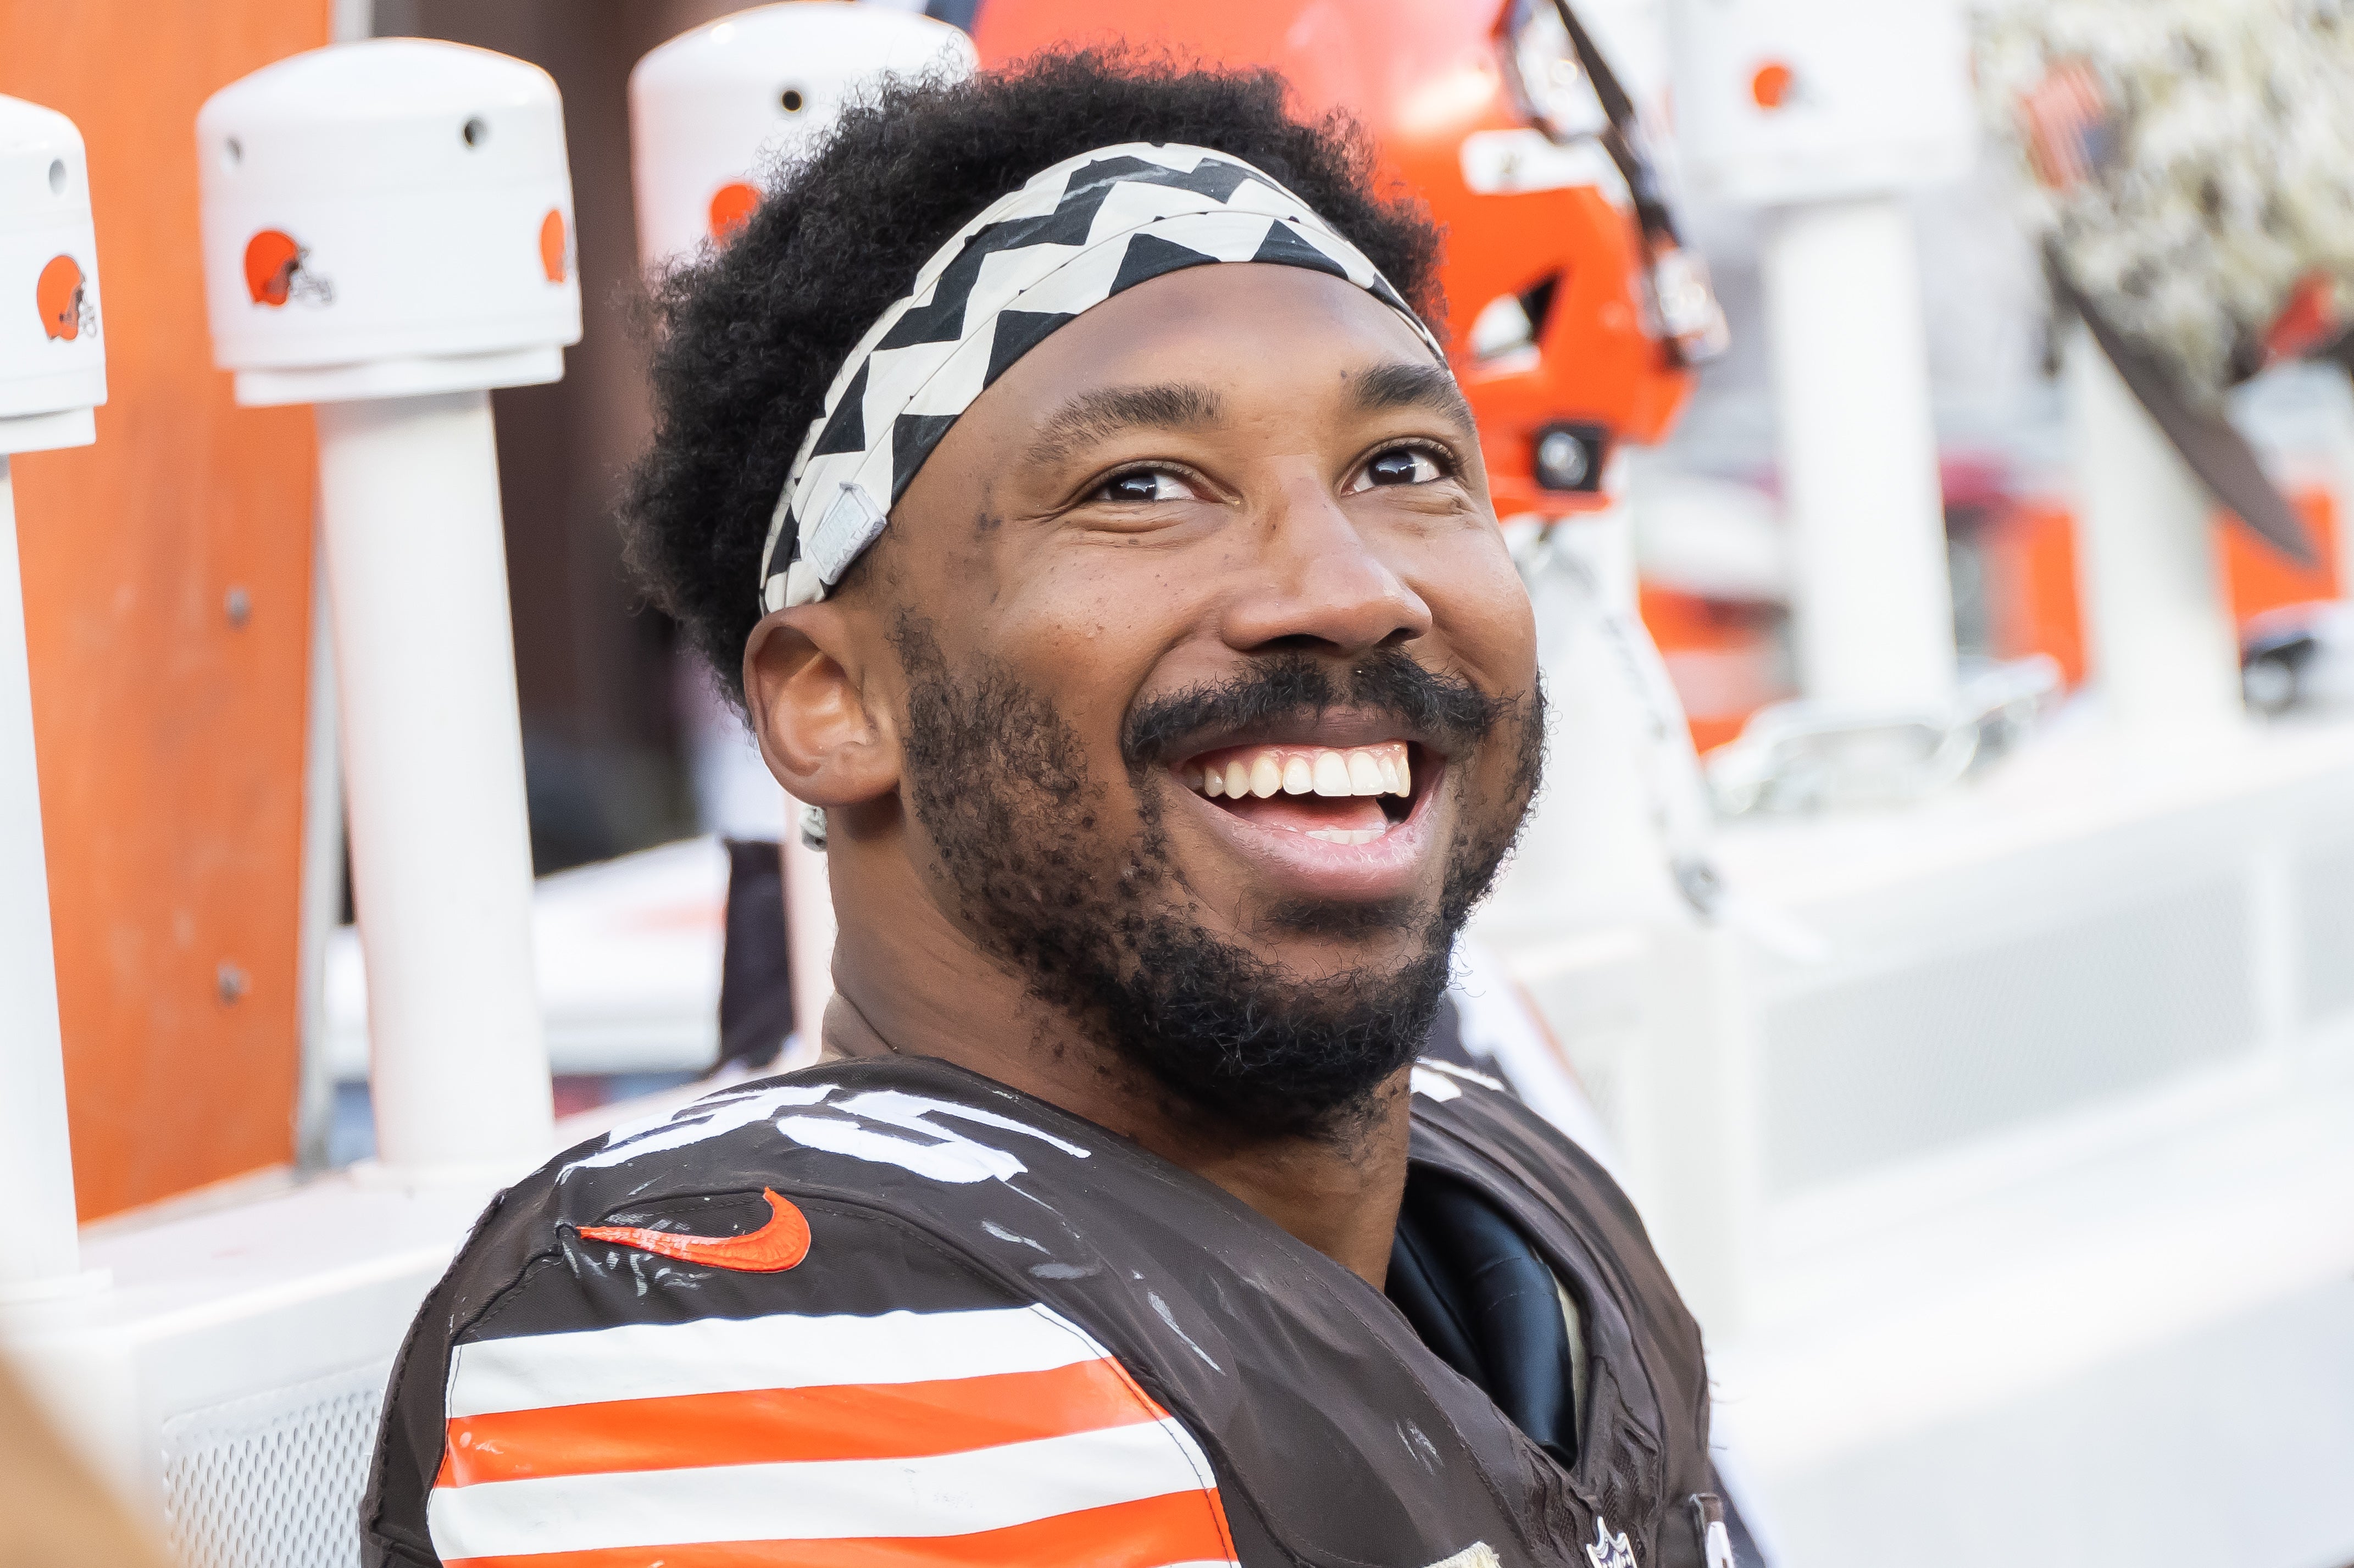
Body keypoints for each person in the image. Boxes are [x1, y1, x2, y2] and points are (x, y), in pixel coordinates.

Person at [363, 53, 1739, 1568]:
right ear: (832, 698)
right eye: (1142, 487)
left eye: (1403, 465)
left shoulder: (1516, 1209)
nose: (1349, 590)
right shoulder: (733, 1333)